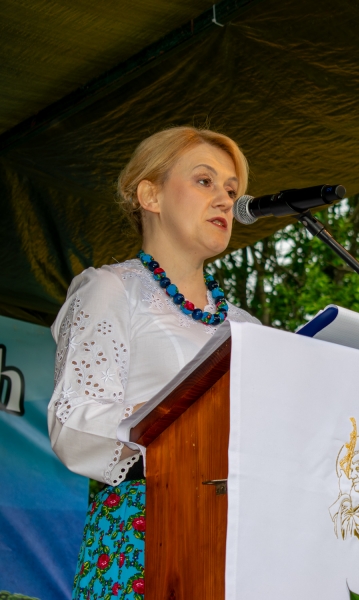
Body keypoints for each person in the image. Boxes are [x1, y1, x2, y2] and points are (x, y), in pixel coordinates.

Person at [47, 127, 259, 598]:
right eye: (204, 181)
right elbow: (73, 425)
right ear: (150, 196)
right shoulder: (111, 290)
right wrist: (172, 420)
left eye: (231, 190)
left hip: (238, 541)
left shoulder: (247, 327)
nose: (225, 200)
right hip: (144, 532)